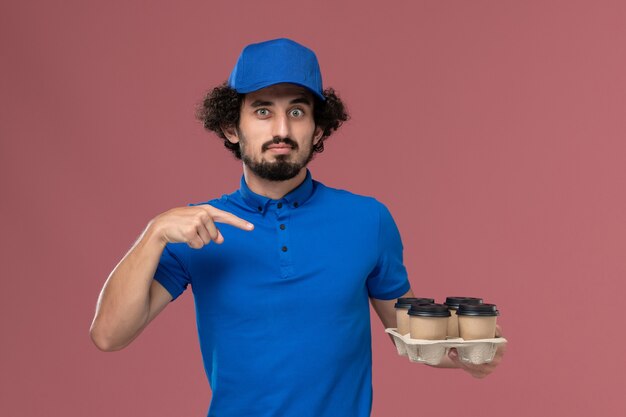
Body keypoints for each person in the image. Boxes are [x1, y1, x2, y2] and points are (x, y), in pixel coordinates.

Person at [90, 38, 505, 417]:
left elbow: (409, 332)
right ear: (232, 128)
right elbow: (109, 336)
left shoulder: (368, 219)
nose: (281, 130)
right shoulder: (195, 228)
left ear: (318, 129)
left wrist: (461, 353)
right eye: (263, 111)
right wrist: (154, 232)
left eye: (296, 111)